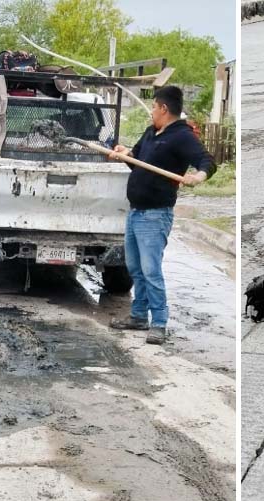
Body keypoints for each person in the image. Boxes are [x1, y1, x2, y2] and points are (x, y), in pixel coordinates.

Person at [107, 86, 216, 345]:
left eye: (154, 107)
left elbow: (207, 161)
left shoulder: (182, 136)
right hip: (135, 213)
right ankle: (138, 316)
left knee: (151, 270)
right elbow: (136, 159)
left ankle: (159, 322)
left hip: (155, 216)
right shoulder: (151, 133)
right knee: (135, 268)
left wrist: (197, 176)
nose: (152, 111)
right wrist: (124, 154)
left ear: (164, 109)